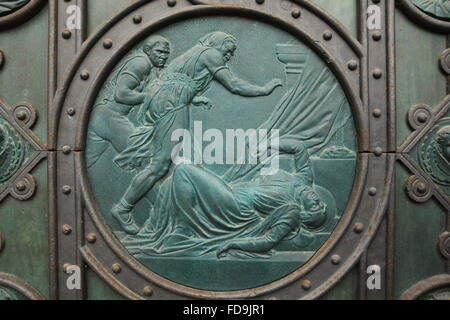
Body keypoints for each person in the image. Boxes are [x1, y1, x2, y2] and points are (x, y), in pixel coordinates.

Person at [112, 31, 283, 235]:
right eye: (227, 52)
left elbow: (173, 80)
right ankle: (123, 208)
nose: (229, 57)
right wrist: (264, 89)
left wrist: (192, 97)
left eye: (231, 54)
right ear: (218, 45)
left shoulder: (196, 52)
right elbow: (234, 85)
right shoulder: (212, 54)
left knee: (180, 162)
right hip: (173, 105)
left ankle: (175, 217)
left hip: (169, 102)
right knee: (160, 165)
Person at [120, 137, 328, 258]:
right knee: (172, 180)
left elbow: (268, 240)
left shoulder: (290, 210)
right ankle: (179, 228)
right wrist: (268, 144)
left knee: (184, 170)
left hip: (237, 209)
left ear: (305, 213)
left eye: (315, 206)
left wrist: (233, 244)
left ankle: (184, 228)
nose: (317, 199)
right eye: (320, 201)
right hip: (229, 194)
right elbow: (299, 147)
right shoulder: (303, 179)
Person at [86, 36, 171, 168]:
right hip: (109, 116)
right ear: (148, 50)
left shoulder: (149, 66)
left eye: (166, 53)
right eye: (159, 51)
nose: (164, 56)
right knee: (143, 158)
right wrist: (148, 97)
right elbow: (121, 94)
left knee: (86, 160)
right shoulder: (141, 63)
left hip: (102, 115)